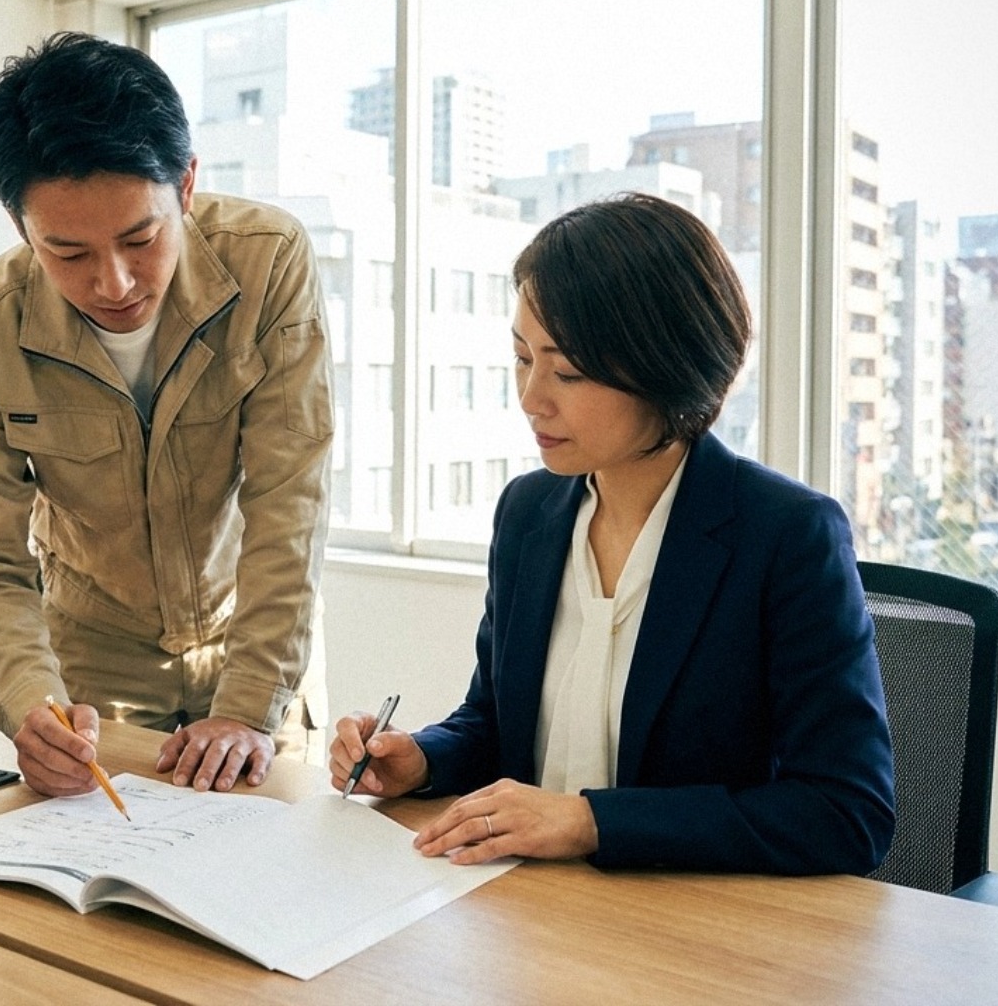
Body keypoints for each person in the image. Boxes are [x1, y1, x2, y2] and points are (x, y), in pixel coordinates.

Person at [327, 193, 895, 875]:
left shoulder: (786, 536)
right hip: (533, 914)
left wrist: (591, 820)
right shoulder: (528, 514)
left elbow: (845, 812)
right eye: (521, 358)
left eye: (566, 370)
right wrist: (420, 760)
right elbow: (496, 726)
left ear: (666, 367)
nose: (532, 396)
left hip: (686, 931)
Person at [0, 32, 333, 801]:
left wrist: (248, 707)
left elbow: (290, 498)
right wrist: (30, 710)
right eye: (68, 252)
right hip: (92, 663)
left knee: (275, 877)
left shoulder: (268, 261)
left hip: (256, 642)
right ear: (21, 228)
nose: (113, 282)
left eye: (141, 238)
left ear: (185, 186)